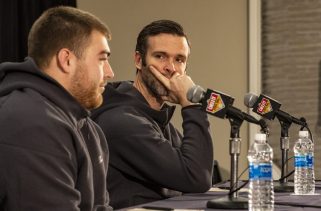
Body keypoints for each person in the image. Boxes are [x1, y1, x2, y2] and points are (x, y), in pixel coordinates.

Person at [0, 6, 114, 211]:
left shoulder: (88, 127)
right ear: (66, 60)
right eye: (102, 59)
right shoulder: (30, 123)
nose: (110, 72)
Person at [92, 19, 214, 209]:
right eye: (160, 56)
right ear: (139, 61)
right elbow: (197, 178)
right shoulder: (121, 121)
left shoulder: (158, 119)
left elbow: (201, 174)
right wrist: (191, 104)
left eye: (179, 60)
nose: (171, 68)